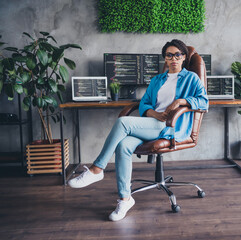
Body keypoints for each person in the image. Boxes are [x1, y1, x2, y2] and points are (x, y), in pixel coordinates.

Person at [68, 39, 209, 221]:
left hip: (170, 127)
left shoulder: (191, 78)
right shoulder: (157, 79)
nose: (173, 58)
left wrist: (181, 101)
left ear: (183, 57)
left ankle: (97, 169)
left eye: (178, 55)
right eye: (169, 55)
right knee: (124, 145)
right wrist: (154, 114)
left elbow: (204, 102)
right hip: (152, 123)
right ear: (165, 58)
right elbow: (145, 103)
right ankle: (125, 199)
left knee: (123, 123)